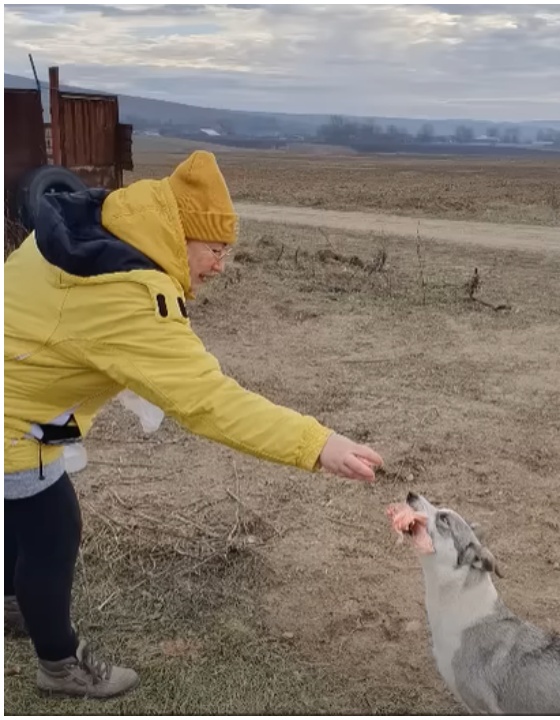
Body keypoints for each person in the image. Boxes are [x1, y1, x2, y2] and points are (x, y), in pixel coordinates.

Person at [4, 150, 385, 698]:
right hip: (14, 419)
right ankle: (58, 663)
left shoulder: (94, 229)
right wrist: (318, 444)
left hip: (15, 395)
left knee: (22, 512)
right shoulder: (129, 294)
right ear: (180, 235)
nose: (220, 265)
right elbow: (210, 402)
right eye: (215, 249)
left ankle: (16, 605)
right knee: (52, 526)